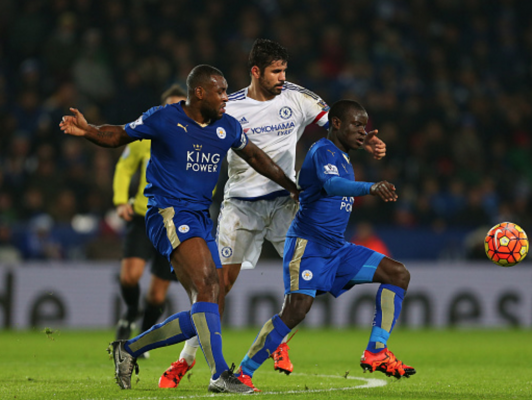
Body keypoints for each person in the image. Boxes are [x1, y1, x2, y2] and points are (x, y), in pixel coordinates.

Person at [160, 38, 387, 388]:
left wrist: (367, 138)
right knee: (217, 287)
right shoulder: (230, 106)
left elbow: (339, 122)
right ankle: (185, 361)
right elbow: (196, 129)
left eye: (284, 70)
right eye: (275, 71)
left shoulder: (297, 97)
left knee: (309, 284)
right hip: (240, 206)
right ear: (256, 71)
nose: (282, 77)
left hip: (287, 202)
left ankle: (276, 342)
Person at [59, 64, 299, 394]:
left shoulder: (226, 126)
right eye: (221, 91)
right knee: (206, 285)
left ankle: (128, 350)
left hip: (201, 216)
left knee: (211, 301)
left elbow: (255, 156)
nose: (227, 97)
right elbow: (118, 135)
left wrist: (290, 185)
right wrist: (88, 131)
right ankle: (220, 375)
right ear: (199, 92)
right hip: (168, 212)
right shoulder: (164, 118)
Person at [231, 100, 416, 392]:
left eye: (364, 126)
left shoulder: (342, 155)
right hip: (309, 246)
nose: (362, 131)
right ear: (337, 124)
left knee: (398, 274)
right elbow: (330, 185)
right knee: (295, 311)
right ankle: (242, 374)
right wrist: (370, 187)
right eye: (356, 125)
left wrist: (363, 142)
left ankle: (376, 351)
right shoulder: (322, 151)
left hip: (337, 249)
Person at [113, 84, 186, 347]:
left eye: (181, 106)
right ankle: (131, 310)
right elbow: (124, 166)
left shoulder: (196, 140)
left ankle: (141, 342)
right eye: (171, 106)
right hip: (144, 216)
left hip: (174, 222)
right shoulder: (146, 135)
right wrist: (121, 201)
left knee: (157, 295)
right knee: (129, 277)